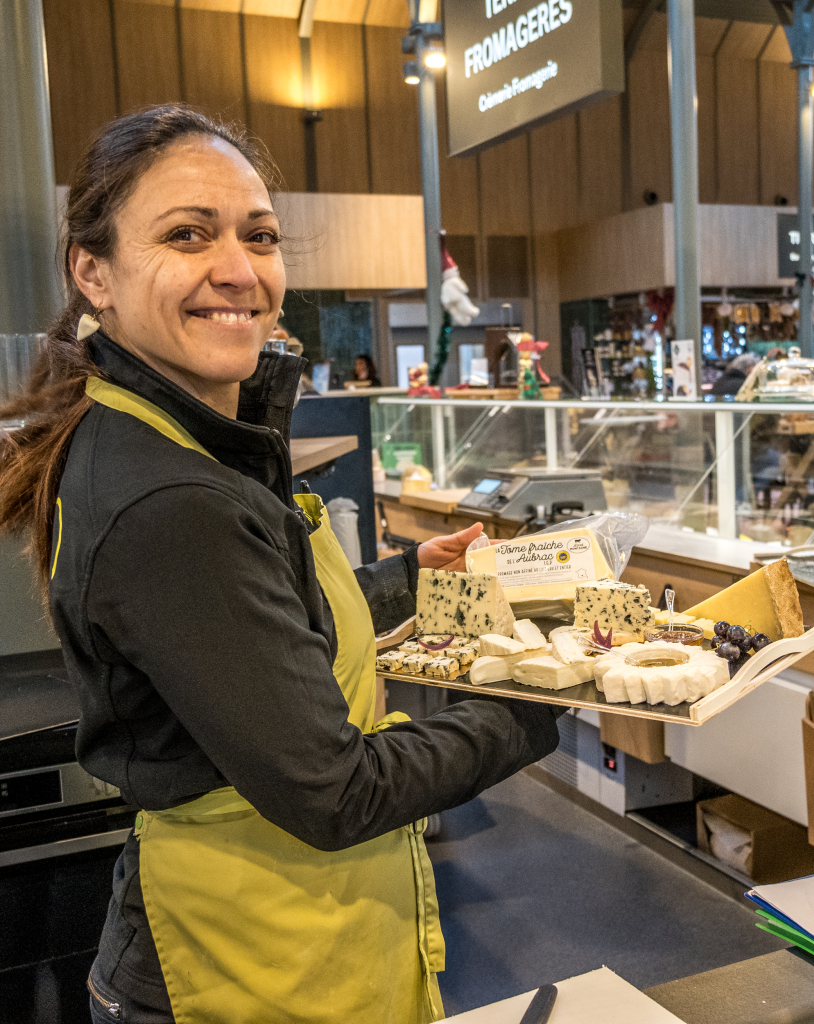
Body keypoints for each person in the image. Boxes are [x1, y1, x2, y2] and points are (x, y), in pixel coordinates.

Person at [0, 105, 561, 1024]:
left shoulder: (184, 438)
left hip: (292, 934)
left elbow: (262, 624)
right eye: (188, 235)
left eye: (258, 236)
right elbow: (337, 791)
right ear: (92, 272)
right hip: (234, 961)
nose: (239, 270)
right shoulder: (169, 497)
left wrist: (413, 578)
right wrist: (543, 697)